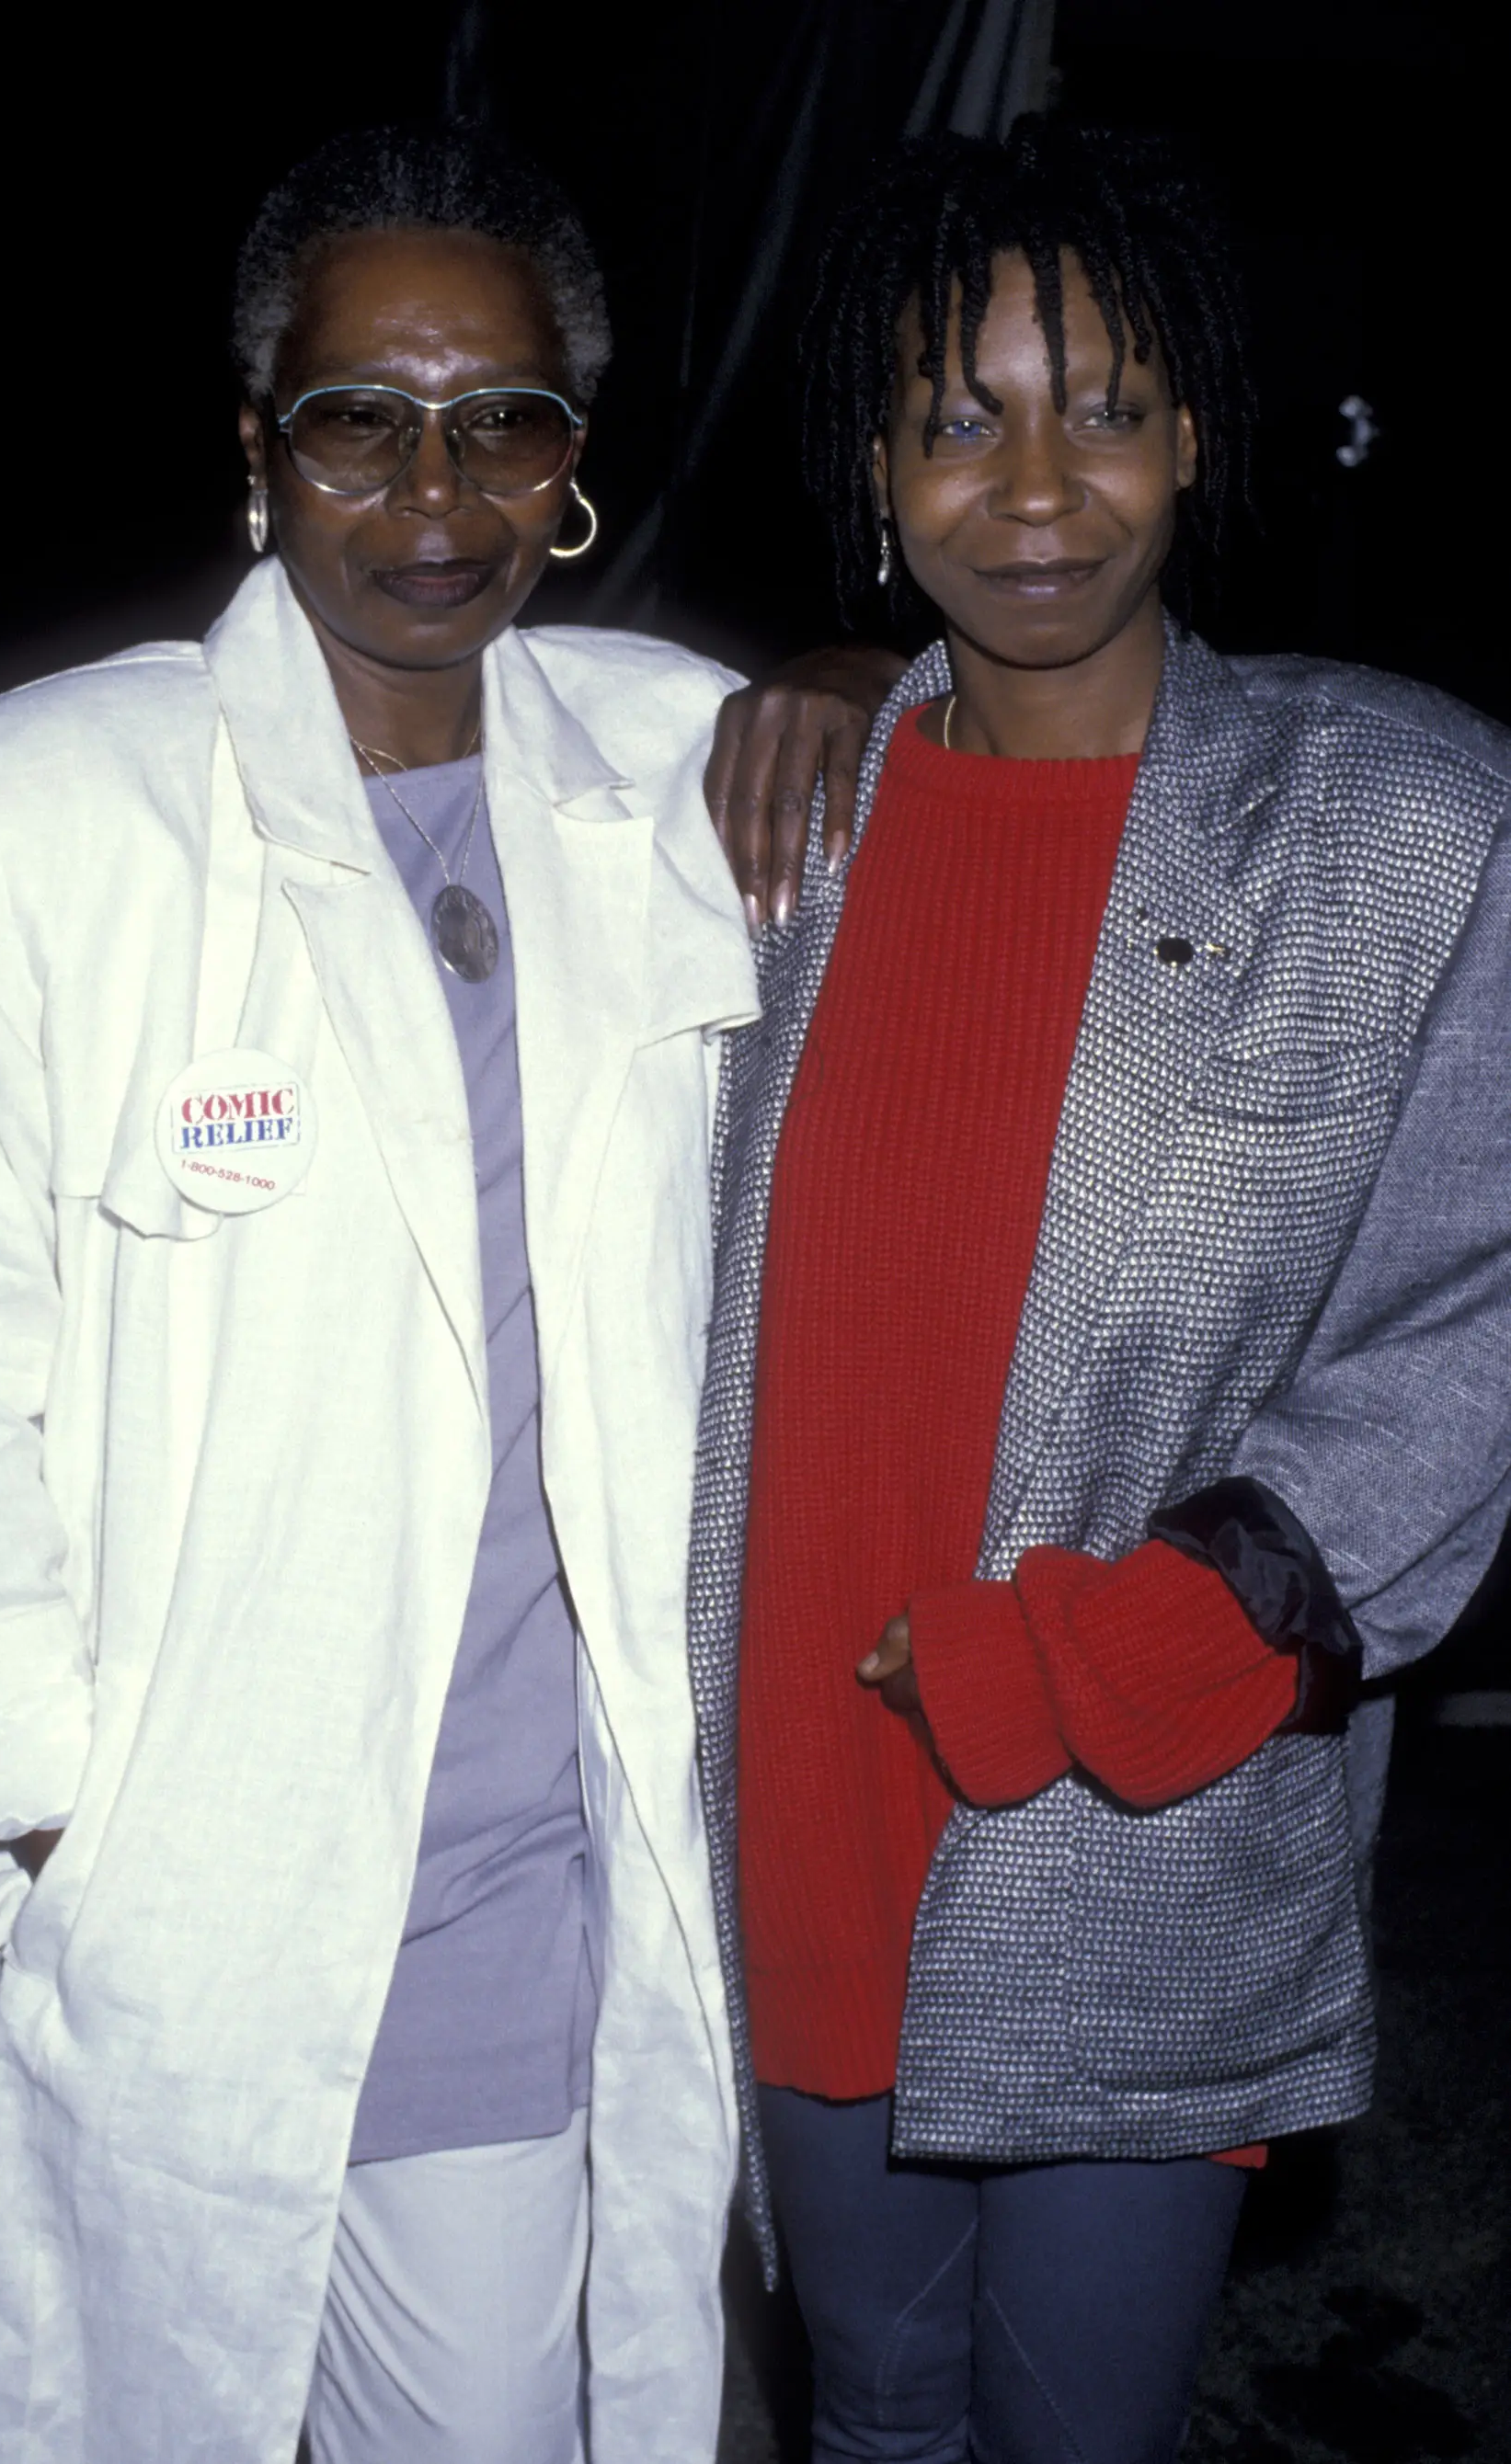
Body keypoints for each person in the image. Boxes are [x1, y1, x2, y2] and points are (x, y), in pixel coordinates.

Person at [0, 126, 886, 2464]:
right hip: (153, 1878)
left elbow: (951, 784)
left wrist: (851, 652)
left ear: (573, 460)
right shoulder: (21, 816)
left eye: (504, 420)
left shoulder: (662, 763)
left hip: (513, 1889)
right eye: (359, 419)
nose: (436, 490)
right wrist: (34, 1807)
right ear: (258, 446)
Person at [690, 117, 1511, 2464]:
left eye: (1106, 408)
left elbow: (1465, 1331)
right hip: (800, 1794)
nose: (1036, 487)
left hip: (1132, 1810)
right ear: (872, 459)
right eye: (959, 417)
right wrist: (822, 674)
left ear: (1197, 439)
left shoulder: (1402, 826)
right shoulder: (765, 842)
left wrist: (1096, 1656)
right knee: (868, 2408)